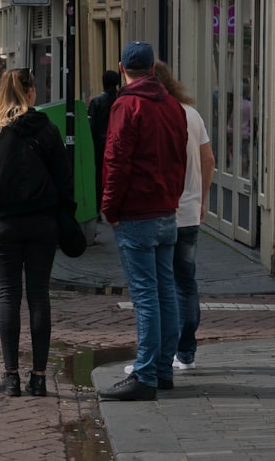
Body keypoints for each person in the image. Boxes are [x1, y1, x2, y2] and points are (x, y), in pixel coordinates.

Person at [0, 68, 73, 398]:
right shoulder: (48, 130)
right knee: (39, 295)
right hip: (43, 224)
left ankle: (11, 376)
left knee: (9, 296)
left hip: (4, 225)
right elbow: (65, 182)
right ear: (30, 93)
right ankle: (39, 377)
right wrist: (63, 219)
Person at [98, 41, 187, 402]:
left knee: (147, 296)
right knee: (166, 291)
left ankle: (146, 374)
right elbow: (180, 156)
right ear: (152, 68)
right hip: (166, 210)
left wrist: (109, 207)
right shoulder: (172, 106)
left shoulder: (127, 104)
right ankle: (163, 368)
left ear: (122, 68)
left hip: (137, 212)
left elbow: (116, 159)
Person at [152, 61, 214, 371]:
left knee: (159, 284)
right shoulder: (192, 114)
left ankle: (162, 353)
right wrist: (201, 199)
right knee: (185, 282)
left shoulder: (155, 114)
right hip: (189, 212)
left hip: (159, 212)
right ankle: (186, 351)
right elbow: (208, 159)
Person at [88, 69, 120, 206]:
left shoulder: (96, 102)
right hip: (115, 142)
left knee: (99, 174)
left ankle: (98, 205)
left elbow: (91, 126)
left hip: (99, 143)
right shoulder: (119, 101)